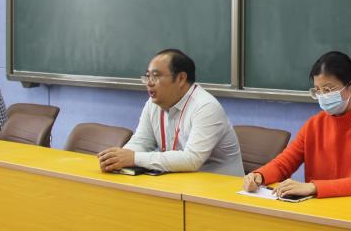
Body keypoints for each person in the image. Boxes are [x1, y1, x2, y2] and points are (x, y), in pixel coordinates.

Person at [241, 51, 351, 198]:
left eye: (328, 89)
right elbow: (284, 162)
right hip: (320, 207)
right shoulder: (314, 125)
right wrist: (259, 176)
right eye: (318, 90)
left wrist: (313, 187)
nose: (323, 96)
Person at [98, 49, 243, 175]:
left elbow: (192, 159)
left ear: (181, 79)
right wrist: (119, 158)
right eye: (147, 76)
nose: (149, 83)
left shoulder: (206, 107)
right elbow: (141, 141)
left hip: (219, 187)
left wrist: (134, 158)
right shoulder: (153, 104)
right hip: (180, 182)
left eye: (156, 76)